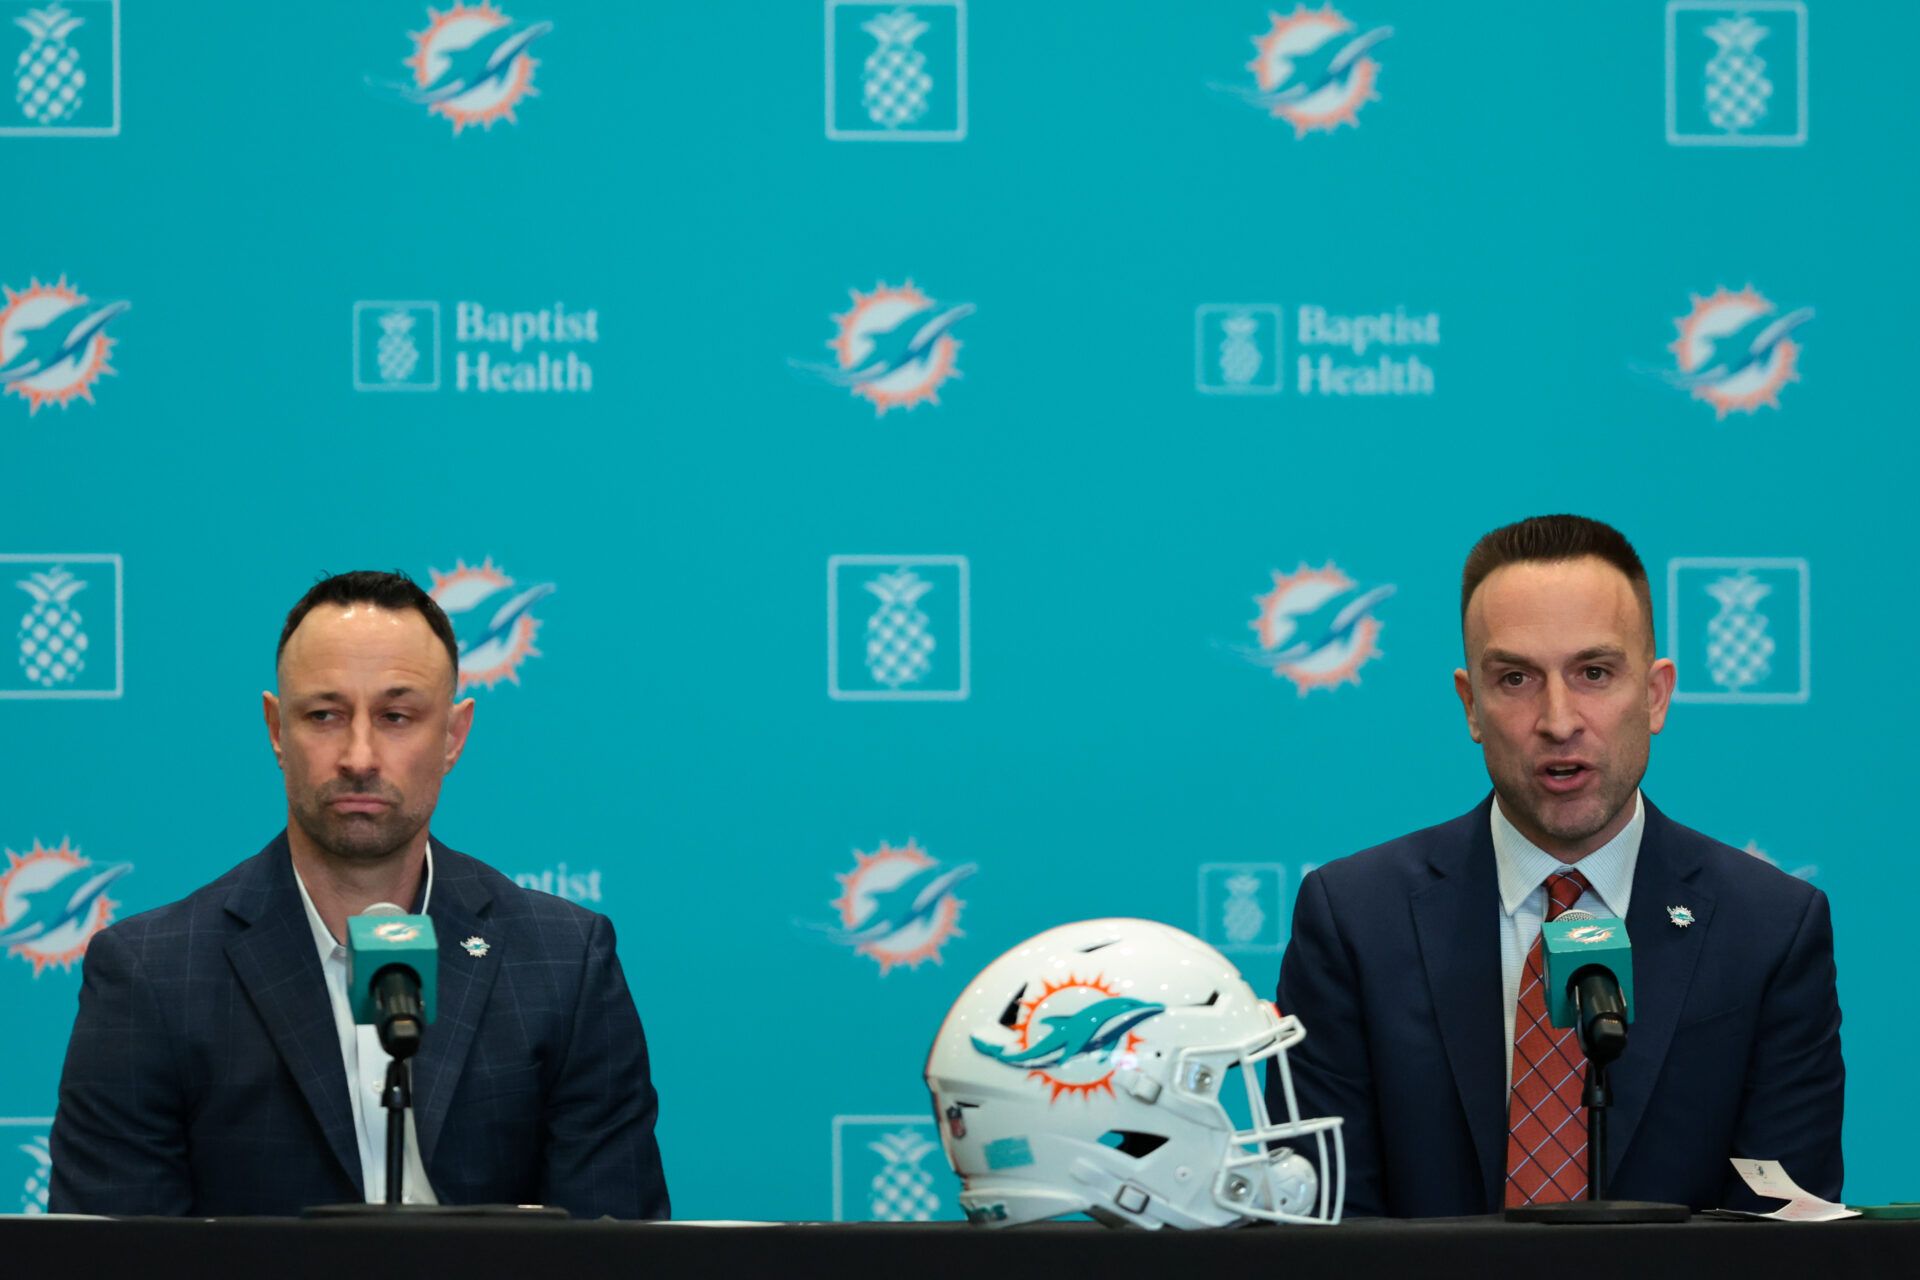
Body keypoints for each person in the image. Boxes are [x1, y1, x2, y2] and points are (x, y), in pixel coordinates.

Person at [49, 571, 669, 1217]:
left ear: (453, 735)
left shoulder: (564, 960)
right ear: (276, 729)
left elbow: (614, 1246)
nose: (359, 755)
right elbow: (113, 1256)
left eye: (397, 716)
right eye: (325, 715)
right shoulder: (153, 973)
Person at [1272, 514, 1842, 1217]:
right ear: (1470, 705)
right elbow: (1324, 1226)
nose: (1560, 719)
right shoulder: (1356, 920)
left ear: (1657, 695)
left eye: (1594, 673)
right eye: (1516, 678)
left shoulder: (1768, 929)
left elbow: (1784, 1233)